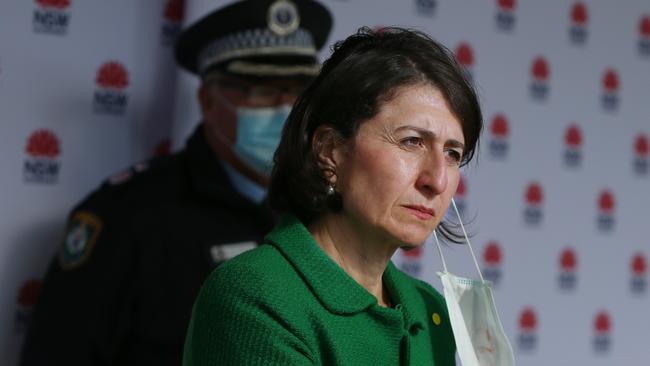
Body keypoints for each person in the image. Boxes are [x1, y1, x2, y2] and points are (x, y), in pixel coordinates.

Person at [20, 1, 332, 365]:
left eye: (298, 90)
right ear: (207, 101)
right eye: (259, 90)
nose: (286, 109)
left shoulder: (327, 209)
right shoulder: (128, 217)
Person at [183, 26, 483, 365]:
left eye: (453, 154)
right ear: (330, 152)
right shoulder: (255, 295)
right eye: (412, 141)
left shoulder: (430, 309)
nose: (438, 180)